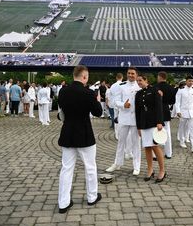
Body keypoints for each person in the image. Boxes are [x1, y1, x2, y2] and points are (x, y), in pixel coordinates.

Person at [57, 65, 103, 213]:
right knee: (90, 167)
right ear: (84, 76)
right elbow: (98, 112)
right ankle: (92, 197)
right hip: (84, 134)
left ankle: (63, 203)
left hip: (68, 133)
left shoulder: (63, 91)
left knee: (66, 168)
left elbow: (61, 112)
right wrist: (97, 99)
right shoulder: (88, 93)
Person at [106, 67, 142, 176]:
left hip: (136, 119)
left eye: (133, 73)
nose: (131, 75)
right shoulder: (121, 86)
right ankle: (117, 163)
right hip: (124, 117)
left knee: (136, 143)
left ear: (136, 75)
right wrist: (123, 105)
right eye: (129, 73)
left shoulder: (139, 86)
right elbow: (115, 101)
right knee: (121, 142)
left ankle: (137, 166)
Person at [135, 75, 166, 183]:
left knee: (155, 147)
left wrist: (159, 121)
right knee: (147, 147)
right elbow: (137, 112)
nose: (139, 82)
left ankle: (162, 171)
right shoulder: (138, 94)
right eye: (137, 81)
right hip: (143, 123)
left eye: (140, 80)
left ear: (146, 80)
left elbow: (159, 106)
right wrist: (138, 126)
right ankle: (150, 170)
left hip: (153, 123)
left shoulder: (154, 90)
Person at [175, 75, 193, 152]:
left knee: (192, 129)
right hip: (183, 112)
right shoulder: (181, 90)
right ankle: (182, 141)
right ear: (186, 81)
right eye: (189, 81)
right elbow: (177, 102)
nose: (191, 82)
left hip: (192, 112)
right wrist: (178, 111)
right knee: (182, 127)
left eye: (192, 81)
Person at [155, 71, 176, 159]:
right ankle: (169, 153)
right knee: (167, 133)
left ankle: (155, 155)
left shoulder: (155, 87)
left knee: (155, 132)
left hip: (156, 111)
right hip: (166, 110)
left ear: (159, 77)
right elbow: (173, 102)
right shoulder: (171, 88)